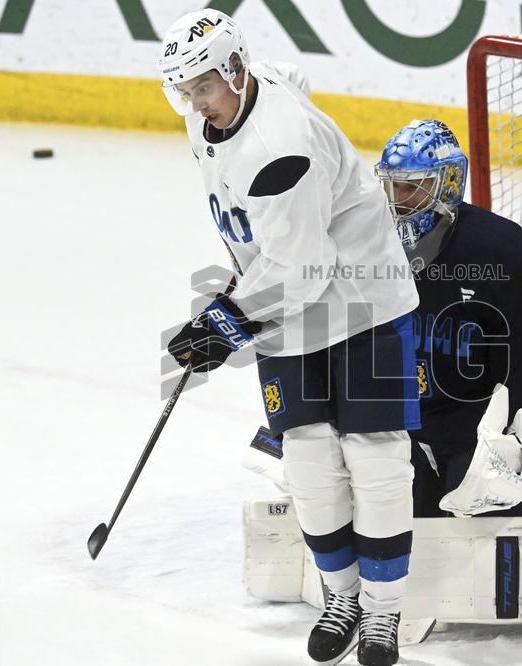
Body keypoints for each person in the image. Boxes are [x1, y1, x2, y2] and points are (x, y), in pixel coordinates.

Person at [159, 10, 420, 666]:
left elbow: (306, 271)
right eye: (184, 89)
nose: (193, 102)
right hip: (286, 307)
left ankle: (384, 613)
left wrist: (224, 322)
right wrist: (239, 293)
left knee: (376, 461)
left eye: (204, 87)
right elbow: (289, 76)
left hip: (364, 305)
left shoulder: (282, 145)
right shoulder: (218, 111)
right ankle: (341, 598)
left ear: (236, 71)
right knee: (308, 465)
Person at [374, 120, 522, 519]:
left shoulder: (499, 250)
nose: (398, 200)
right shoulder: (372, 247)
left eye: (412, 186)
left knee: (504, 570)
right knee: (407, 570)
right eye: (392, 186)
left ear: (449, 183)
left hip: (484, 439)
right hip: (404, 435)